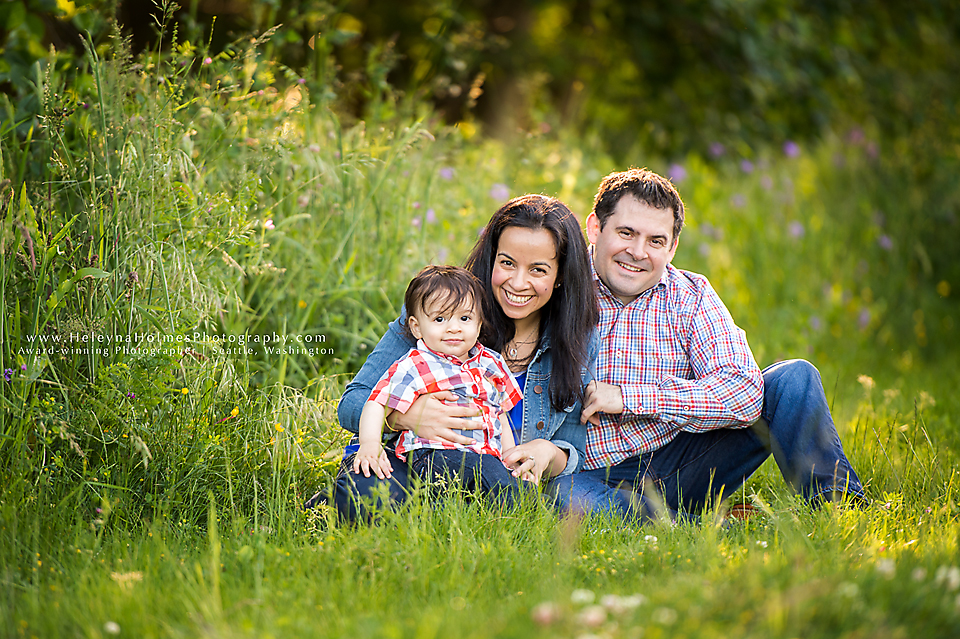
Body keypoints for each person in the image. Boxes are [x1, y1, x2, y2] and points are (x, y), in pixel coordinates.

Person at [552, 168, 866, 521]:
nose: (637, 252)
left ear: (672, 247)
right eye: (626, 233)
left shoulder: (691, 295)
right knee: (561, 494)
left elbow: (745, 393)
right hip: (588, 468)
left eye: (655, 241)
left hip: (684, 460)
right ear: (595, 227)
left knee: (795, 378)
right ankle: (690, 525)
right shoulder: (557, 289)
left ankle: (837, 507)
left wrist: (630, 398)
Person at [326, 194, 600, 521]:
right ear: (491, 259)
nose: (517, 282)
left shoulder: (576, 340)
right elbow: (353, 402)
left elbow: (574, 447)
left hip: (489, 473)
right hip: (409, 459)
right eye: (507, 263)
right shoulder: (437, 313)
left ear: (559, 277)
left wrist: (549, 453)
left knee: (506, 505)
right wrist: (407, 417)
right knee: (368, 498)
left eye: (538, 269)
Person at [353, 264, 525, 506]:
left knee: (504, 478)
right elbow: (377, 402)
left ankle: (506, 512)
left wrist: (508, 454)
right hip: (431, 454)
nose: (453, 327)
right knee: (487, 477)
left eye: (465, 318)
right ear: (416, 327)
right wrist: (370, 444)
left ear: (478, 324)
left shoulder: (491, 363)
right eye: (440, 319)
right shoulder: (417, 364)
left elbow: (500, 414)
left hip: (485, 456)